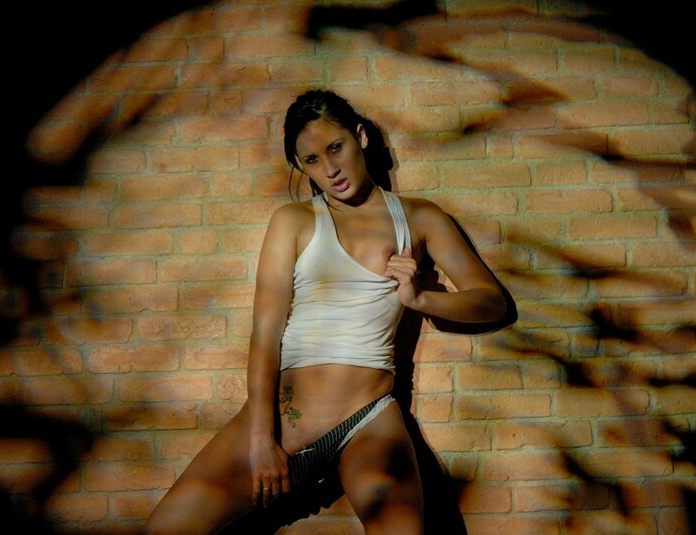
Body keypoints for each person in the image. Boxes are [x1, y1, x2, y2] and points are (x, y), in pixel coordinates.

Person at [143, 89, 508, 535]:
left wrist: (422, 299)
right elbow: (265, 335)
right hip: (283, 422)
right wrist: (261, 440)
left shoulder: (418, 218)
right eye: (312, 160)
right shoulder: (294, 222)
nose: (330, 169)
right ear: (301, 166)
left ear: (360, 137)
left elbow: (492, 301)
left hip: (369, 421)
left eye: (336, 147)